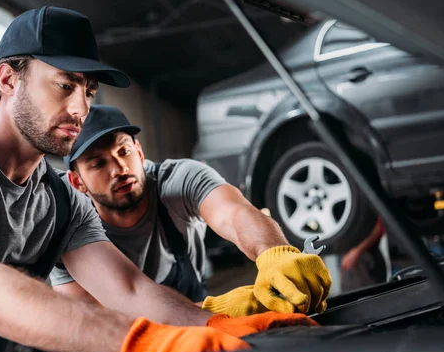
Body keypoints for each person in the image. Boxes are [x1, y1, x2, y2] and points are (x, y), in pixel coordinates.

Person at [0, 6, 317, 352]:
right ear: (9, 80)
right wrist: (145, 344)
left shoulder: (60, 203)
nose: (80, 108)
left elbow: (131, 292)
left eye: (87, 92)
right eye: (65, 85)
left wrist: (211, 325)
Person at [51, 105, 332, 317]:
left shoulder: (178, 179)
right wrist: (218, 311)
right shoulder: (67, 221)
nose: (119, 169)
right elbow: (97, 318)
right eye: (98, 164)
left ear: (138, 151)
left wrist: (274, 253)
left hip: (198, 323)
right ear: (77, 182)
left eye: (123, 151)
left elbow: (234, 213)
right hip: (123, 351)